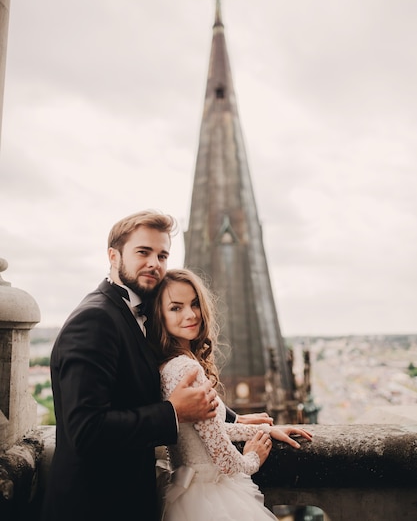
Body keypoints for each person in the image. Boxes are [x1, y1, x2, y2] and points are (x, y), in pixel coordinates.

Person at [41, 209, 272, 521]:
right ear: (113, 255)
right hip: (94, 505)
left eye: (162, 255)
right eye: (143, 252)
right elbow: (85, 430)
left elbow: (156, 385)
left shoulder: (140, 312)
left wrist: (233, 419)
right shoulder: (94, 319)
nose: (154, 263)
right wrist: (174, 412)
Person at [151, 268, 313, 521]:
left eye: (195, 304)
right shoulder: (188, 368)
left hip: (185, 497)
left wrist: (266, 430)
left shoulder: (166, 366)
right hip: (211, 500)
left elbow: (205, 431)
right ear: (159, 315)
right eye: (176, 308)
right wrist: (253, 458)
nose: (191, 314)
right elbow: (225, 460)